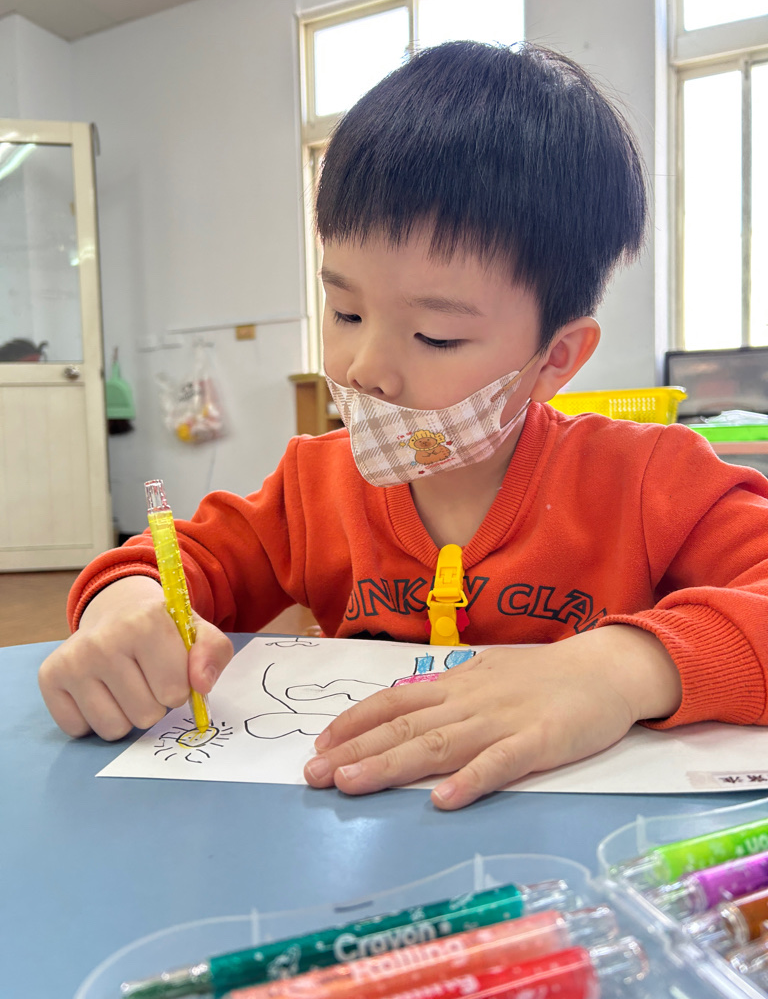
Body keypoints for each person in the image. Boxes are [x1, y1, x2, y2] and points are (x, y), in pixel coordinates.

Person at [38, 42, 768, 810]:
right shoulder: (314, 485)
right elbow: (184, 562)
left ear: (555, 357)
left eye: (435, 336)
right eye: (345, 312)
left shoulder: (651, 482)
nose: (364, 368)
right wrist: (126, 608)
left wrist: (617, 670)